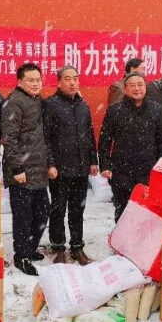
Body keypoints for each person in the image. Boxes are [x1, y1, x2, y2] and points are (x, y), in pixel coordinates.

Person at [43, 66, 98, 265]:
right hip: (59, 169)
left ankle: (77, 247)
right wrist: (50, 164)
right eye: (68, 79)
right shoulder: (50, 104)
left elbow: (89, 134)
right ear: (59, 82)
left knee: (78, 210)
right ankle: (58, 247)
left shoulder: (83, 105)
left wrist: (93, 160)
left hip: (81, 167)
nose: (73, 82)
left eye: (75, 78)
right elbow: (46, 138)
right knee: (58, 210)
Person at [99, 72, 162, 222]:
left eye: (140, 85)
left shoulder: (156, 109)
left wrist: (160, 168)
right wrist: (105, 166)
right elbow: (105, 140)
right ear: (125, 89)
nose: (137, 88)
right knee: (123, 212)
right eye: (132, 85)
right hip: (121, 171)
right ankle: (122, 237)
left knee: (146, 214)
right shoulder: (115, 110)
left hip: (147, 171)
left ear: (145, 87)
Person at [1, 63, 50, 276]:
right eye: (31, 80)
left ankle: (29, 249)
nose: (35, 84)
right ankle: (21, 256)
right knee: (23, 217)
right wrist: (17, 168)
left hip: (38, 168)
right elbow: (10, 138)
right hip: (21, 171)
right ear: (20, 81)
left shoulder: (37, 100)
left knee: (42, 211)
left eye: (38, 80)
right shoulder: (14, 102)